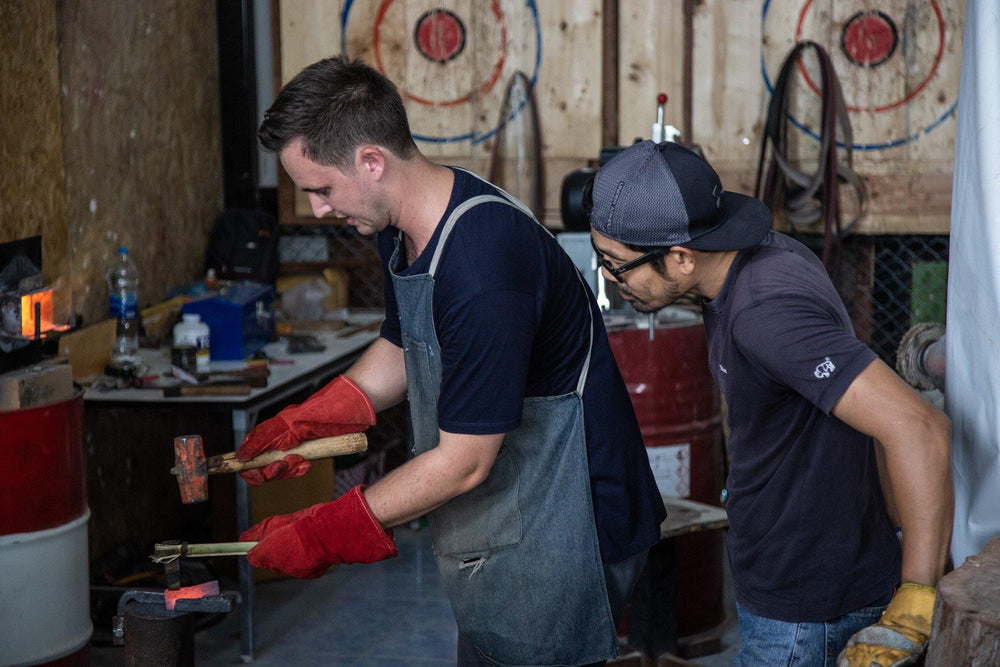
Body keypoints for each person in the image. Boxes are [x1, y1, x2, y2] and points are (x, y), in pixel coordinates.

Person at [235, 56, 666, 666]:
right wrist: (310, 421)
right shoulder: (406, 223)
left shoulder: (482, 265)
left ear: (371, 162)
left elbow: (463, 464)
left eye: (321, 189)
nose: (318, 211)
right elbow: (405, 345)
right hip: (508, 517)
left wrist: (323, 528)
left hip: (570, 523)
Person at [585, 140, 954, 667]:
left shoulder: (766, 314)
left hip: (804, 612)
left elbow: (919, 428)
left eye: (617, 265)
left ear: (683, 257)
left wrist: (916, 597)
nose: (611, 280)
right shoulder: (762, 259)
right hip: (795, 578)